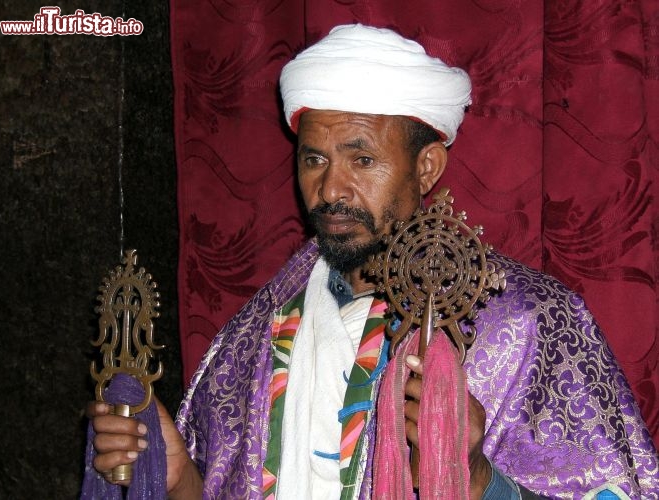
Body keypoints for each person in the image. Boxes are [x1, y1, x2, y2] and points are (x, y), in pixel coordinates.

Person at [84, 24, 659, 499]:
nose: (330, 188)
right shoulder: (254, 339)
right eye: (314, 159)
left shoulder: (529, 324)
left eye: (362, 159)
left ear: (427, 168)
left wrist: (478, 476)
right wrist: (180, 476)